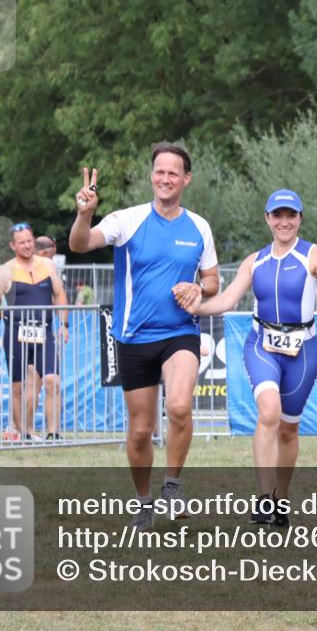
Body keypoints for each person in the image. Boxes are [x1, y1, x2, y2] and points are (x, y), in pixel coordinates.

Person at [192, 189, 317, 527]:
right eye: (277, 215)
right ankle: (263, 498)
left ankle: (281, 500)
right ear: (267, 219)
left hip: (303, 351)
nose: (284, 222)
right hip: (261, 345)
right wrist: (192, 306)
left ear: (300, 218)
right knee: (268, 412)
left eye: (291, 215)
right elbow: (226, 301)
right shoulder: (253, 261)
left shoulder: (315, 255)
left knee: (289, 430)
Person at [69, 142, 220, 531]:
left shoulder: (199, 226)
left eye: (173, 172)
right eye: (159, 171)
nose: (165, 178)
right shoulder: (127, 220)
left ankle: (173, 485)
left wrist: (200, 291)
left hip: (180, 333)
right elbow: (80, 244)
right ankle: (144, 501)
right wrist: (85, 215)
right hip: (134, 338)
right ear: (152, 175)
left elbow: (213, 280)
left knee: (181, 407)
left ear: (186, 178)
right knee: (139, 431)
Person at [0, 223, 69, 442]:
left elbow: (59, 294)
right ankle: (23, 432)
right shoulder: (5, 270)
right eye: (22, 242)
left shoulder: (47, 265)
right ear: (13, 245)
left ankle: (54, 433)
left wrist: (63, 324)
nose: (27, 245)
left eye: (29, 240)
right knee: (17, 388)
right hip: (16, 334)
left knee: (52, 380)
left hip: (44, 331)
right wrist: (5, 316)